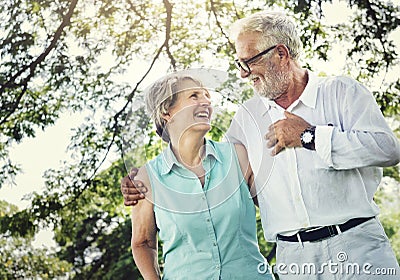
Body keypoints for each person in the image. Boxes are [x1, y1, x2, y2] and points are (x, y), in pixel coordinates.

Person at [122, 11, 400, 279]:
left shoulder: (340, 92)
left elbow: (387, 149)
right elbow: (208, 164)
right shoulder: (247, 117)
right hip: (294, 258)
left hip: (357, 246)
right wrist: (143, 183)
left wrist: (310, 136)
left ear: (281, 53)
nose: (243, 74)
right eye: (238, 64)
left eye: (249, 61)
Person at [124, 73, 274, 279]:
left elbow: (273, 206)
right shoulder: (147, 178)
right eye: (194, 96)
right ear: (167, 111)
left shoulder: (237, 156)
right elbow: (143, 242)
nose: (206, 102)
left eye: (207, 96)